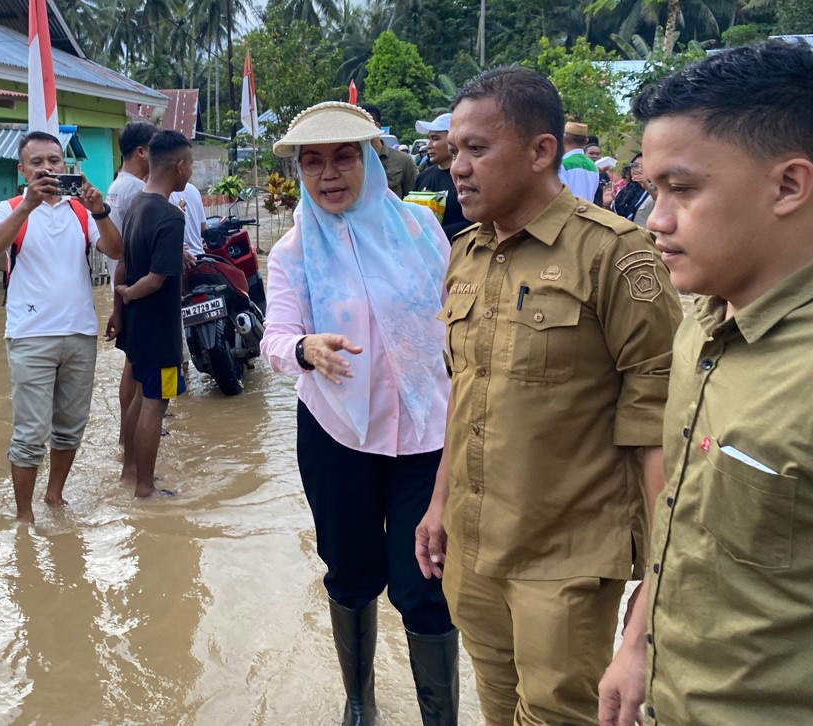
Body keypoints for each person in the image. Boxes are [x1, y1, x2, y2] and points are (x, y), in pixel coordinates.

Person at [414, 68, 682, 725]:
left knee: (559, 715)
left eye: (478, 149)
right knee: (497, 707)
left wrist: (657, 588)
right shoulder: (466, 254)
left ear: (540, 151)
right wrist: (439, 501)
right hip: (473, 550)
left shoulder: (617, 258)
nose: (458, 168)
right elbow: (464, 391)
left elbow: (661, 432)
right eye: (454, 152)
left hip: (565, 559)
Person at [599, 39, 813, 726]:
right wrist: (637, 639)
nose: (654, 220)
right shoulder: (700, 319)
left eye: (682, 189)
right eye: (653, 187)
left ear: (789, 185)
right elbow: (680, 523)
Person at [261, 101, 459, 726]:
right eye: (313, 161)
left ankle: (440, 717)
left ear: (371, 160)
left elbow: (458, 327)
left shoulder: (423, 231)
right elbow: (274, 338)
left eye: (344, 156)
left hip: (428, 436)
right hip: (336, 434)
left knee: (426, 581)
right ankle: (359, 704)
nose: (329, 173)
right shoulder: (292, 251)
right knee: (349, 572)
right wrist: (305, 348)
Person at [0, 131, 123, 524]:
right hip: (29, 336)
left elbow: (115, 250)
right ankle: (24, 517)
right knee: (29, 434)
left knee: (71, 427)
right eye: (37, 162)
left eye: (54, 161)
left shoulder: (80, 210)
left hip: (79, 333)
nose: (47, 168)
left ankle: (54, 496)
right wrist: (27, 206)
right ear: (22, 169)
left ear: (66, 166)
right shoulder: (6, 209)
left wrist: (100, 210)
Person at [116, 130, 193, 499]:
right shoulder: (168, 215)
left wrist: (120, 307)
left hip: (135, 327)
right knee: (155, 404)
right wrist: (130, 293)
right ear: (179, 167)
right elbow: (156, 278)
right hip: (160, 331)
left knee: (138, 398)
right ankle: (146, 488)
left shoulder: (135, 204)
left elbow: (122, 264)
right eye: (190, 165)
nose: (190, 172)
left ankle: (130, 472)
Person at [105, 121, 158, 447]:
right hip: (135, 286)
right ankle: (132, 436)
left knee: (133, 365)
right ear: (142, 151)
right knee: (137, 369)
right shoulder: (135, 190)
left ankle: (130, 435)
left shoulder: (118, 185)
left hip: (123, 285)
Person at [413, 112, 471, 240]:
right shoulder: (423, 176)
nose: (429, 145)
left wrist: (436, 233)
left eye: (435, 138)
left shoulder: (467, 176)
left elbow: (475, 223)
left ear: (454, 140)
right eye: (428, 138)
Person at [359, 102, 418, 198]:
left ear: (376, 126)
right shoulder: (351, 163)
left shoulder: (403, 161)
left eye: (361, 126)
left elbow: (414, 200)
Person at [559, 120, 600, 201]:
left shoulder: (562, 164)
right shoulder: (593, 166)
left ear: (563, 139)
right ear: (586, 141)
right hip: (587, 212)